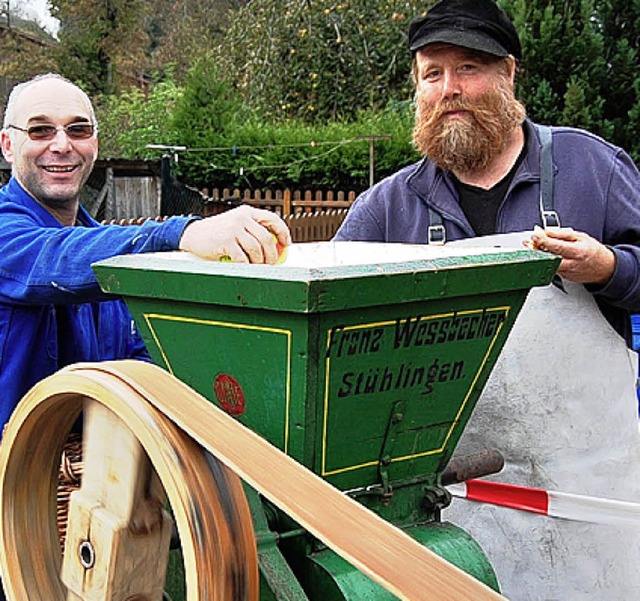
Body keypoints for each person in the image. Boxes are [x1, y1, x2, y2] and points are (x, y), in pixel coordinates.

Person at [334, 1, 640, 599]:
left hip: (591, 510)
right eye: (433, 73)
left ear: (509, 75)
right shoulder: (385, 209)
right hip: (447, 515)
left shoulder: (590, 168)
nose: (451, 89)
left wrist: (609, 267)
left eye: (470, 68)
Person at [0, 73, 291, 435]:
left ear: (95, 143)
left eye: (78, 130)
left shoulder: (106, 252)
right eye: (40, 130)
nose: (61, 145)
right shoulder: (13, 236)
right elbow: (53, 261)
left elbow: (139, 362)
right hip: (14, 479)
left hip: (90, 480)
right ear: (8, 145)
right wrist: (183, 232)